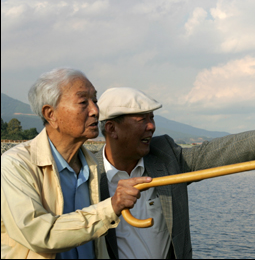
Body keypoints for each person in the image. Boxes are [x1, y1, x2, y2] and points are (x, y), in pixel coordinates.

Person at [95, 87, 255, 259]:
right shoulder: (86, 175)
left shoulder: (165, 156)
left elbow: (214, 152)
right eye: (141, 119)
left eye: (152, 118)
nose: (151, 126)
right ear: (111, 129)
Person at [1, 68, 152, 259]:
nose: (95, 111)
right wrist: (111, 207)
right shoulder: (16, 165)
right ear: (50, 114)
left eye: (95, 101)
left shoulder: (92, 166)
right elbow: (39, 234)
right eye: (83, 102)